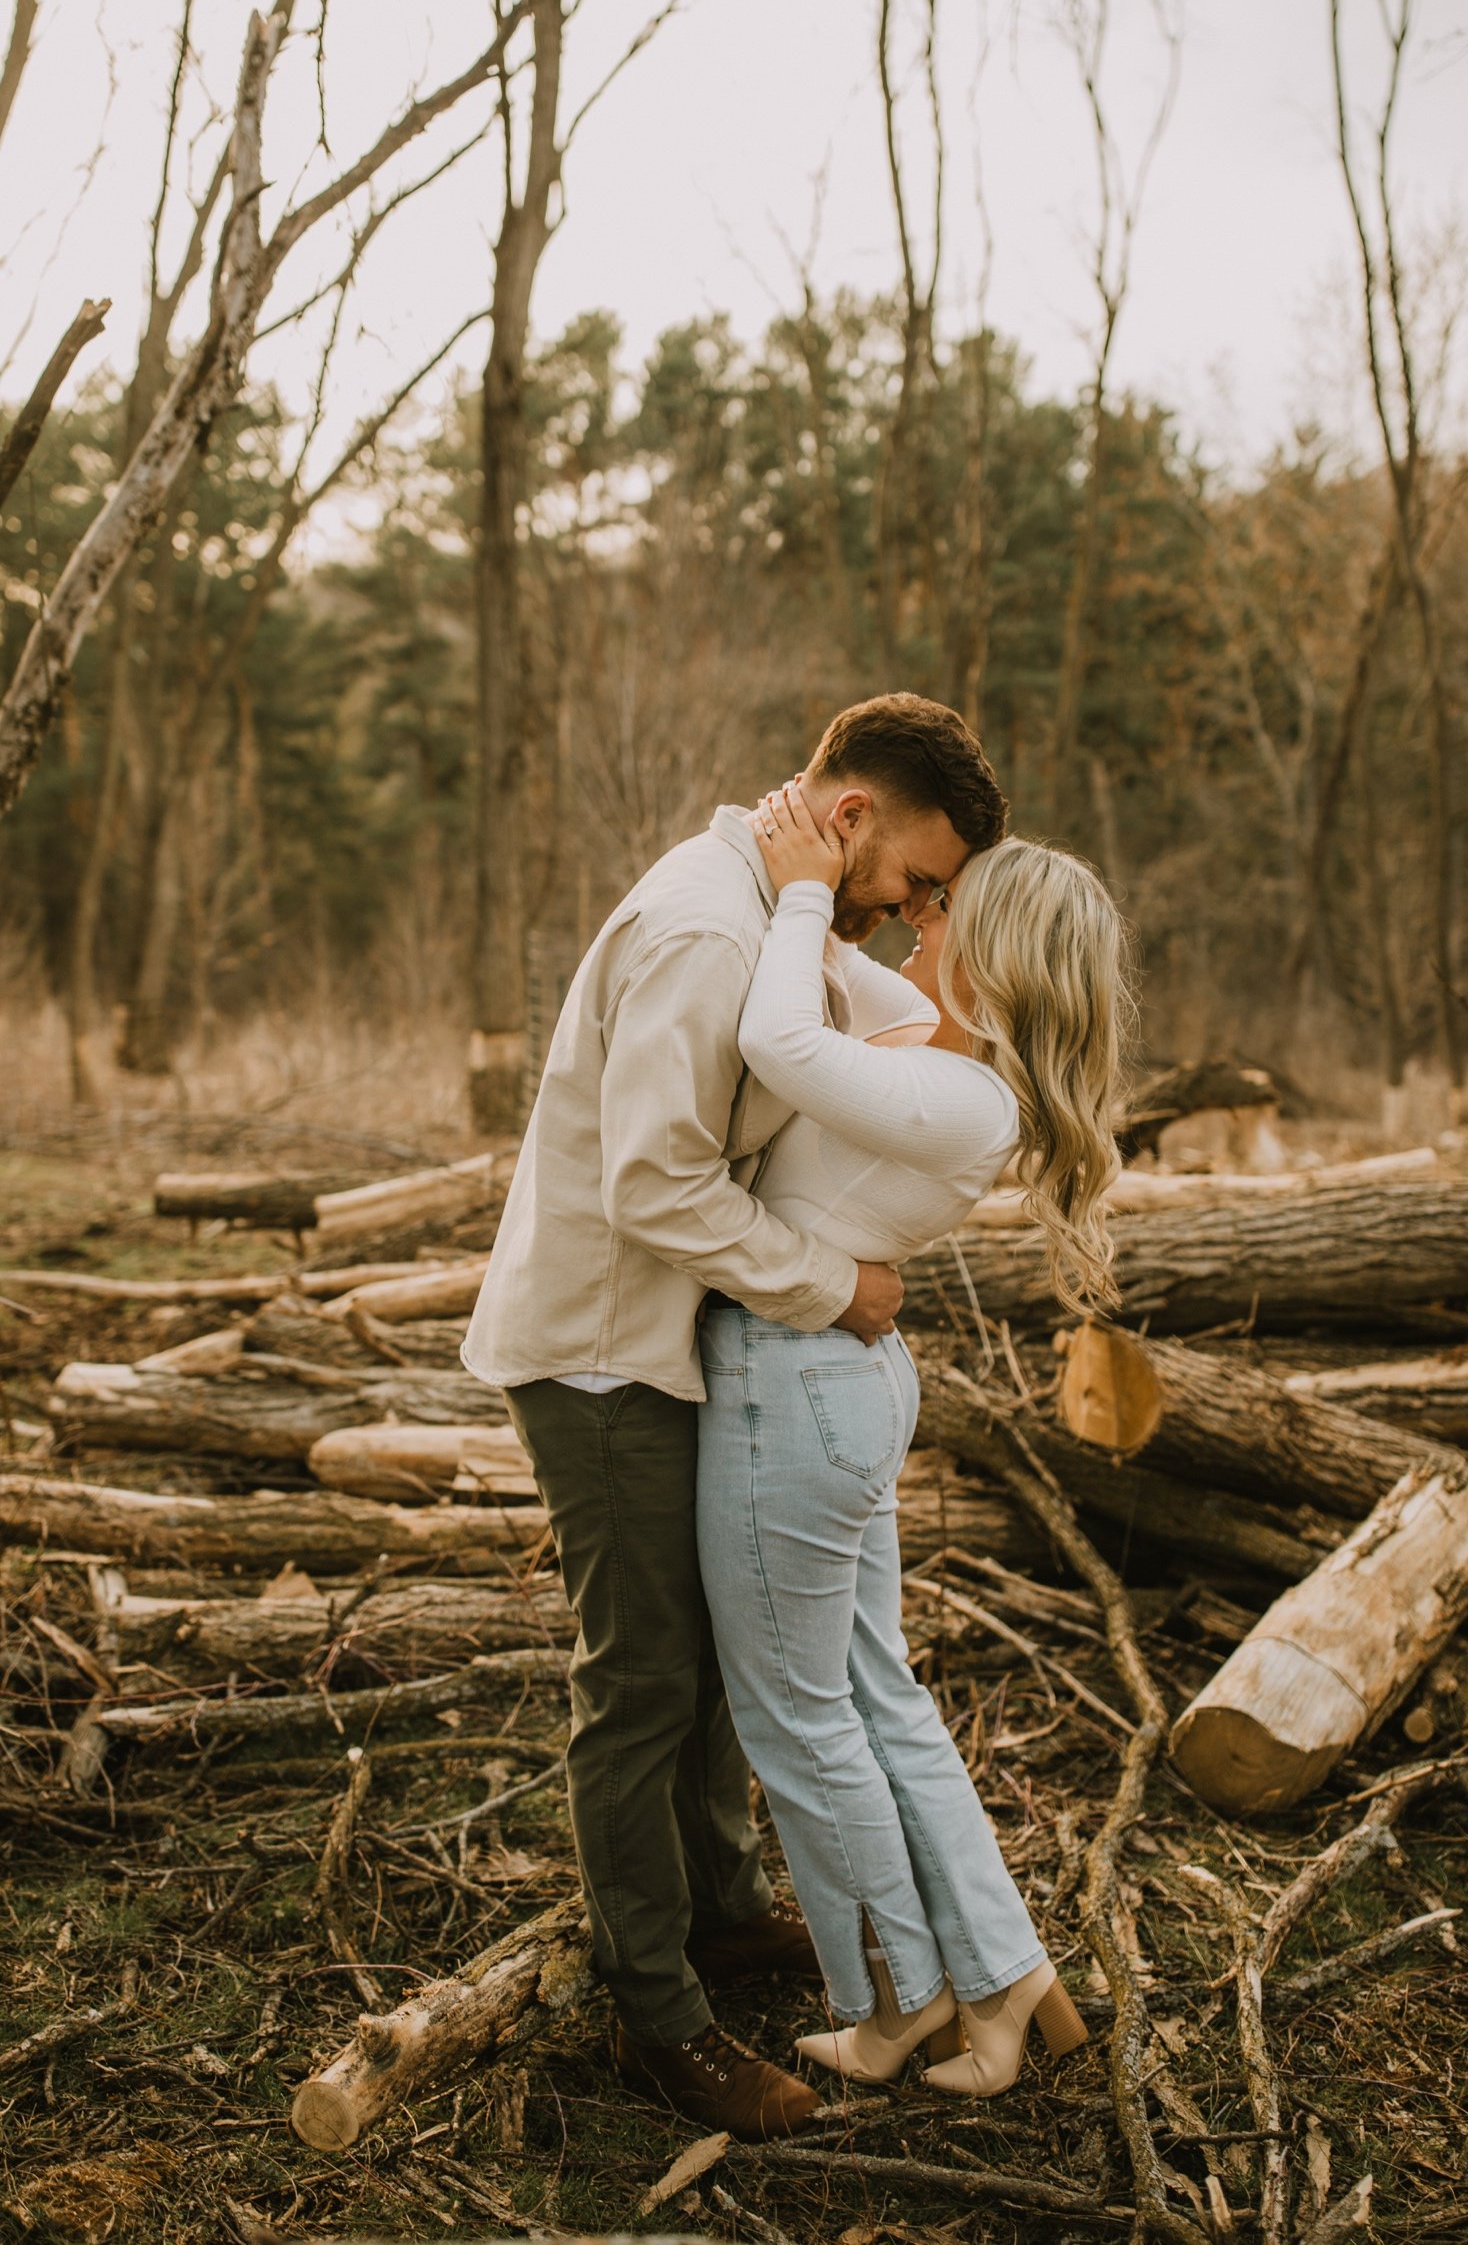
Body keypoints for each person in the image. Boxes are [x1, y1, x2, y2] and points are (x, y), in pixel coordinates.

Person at [462, 693, 1007, 2140]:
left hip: (672, 1338)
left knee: (701, 1652)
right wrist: (835, 1285)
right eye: (914, 881)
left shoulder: (774, 909)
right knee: (641, 1680)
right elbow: (652, 1184)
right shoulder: (711, 930)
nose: (911, 917)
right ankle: (658, 2014)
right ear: (848, 822)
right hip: (600, 1351)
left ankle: (716, 1911)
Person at [695, 778, 1125, 2097]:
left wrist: (812, 883)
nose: (918, 916)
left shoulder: (963, 1101)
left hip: (793, 1391)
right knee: (876, 1698)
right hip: (828, 1383)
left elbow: (777, 1035)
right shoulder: (934, 1054)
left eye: (946, 908)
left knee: (800, 1719)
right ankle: (1009, 1982)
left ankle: (895, 2003)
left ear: (995, 953)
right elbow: (829, 978)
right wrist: (791, 859)